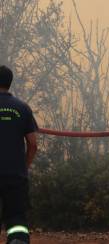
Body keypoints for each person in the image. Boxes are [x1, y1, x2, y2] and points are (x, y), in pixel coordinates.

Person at [0, 65, 38, 244]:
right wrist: (24, 166)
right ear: (9, 83)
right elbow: (32, 144)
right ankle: (17, 240)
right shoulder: (23, 108)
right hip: (15, 175)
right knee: (16, 218)